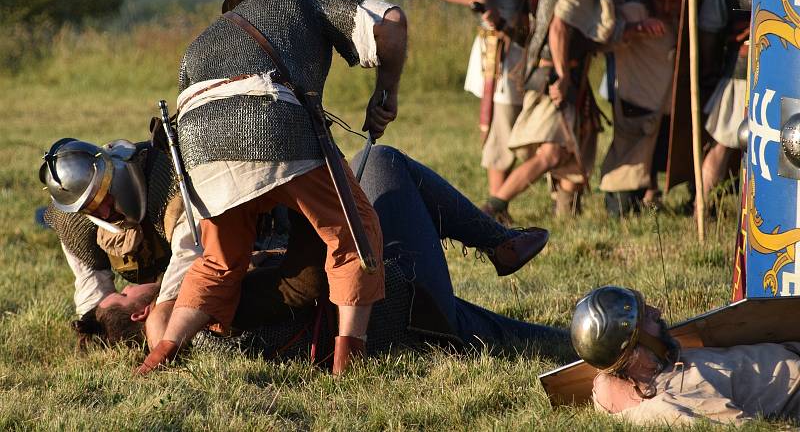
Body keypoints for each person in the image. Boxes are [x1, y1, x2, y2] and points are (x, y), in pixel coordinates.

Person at [132, 0, 409, 375]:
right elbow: (392, 24)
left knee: (217, 259)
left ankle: (162, 352)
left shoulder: (199, 43)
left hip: (200, 148)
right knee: (356, 232)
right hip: (275, 126)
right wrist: (386, 92)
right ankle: (350, 359)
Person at [92, 146, 562, 364]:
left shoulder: (195, 321)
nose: (132, 283)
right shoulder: (179, 315)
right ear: (139, 315)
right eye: (126, 294)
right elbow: (306, 281)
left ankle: (611, 329)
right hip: (400, 300)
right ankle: (496, 241)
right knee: (382, 162)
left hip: (389, 298)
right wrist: (298, 197)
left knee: (530, 339)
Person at [480, 0, 665, 220]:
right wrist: (564, 76)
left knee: (575, 146)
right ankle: (491, 209)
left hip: (567, 72)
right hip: (554, 73)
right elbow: (559, 28)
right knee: (552, 151)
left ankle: (566, 219)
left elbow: (587, 30)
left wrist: (636, 29)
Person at [431, 0, 556, 216]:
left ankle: (522, 199)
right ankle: (496, 205)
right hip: (500, 49)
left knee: (540, 123)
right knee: (502, 128)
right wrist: (481, 3)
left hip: (536, 44)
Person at [38, 136, 203, 345]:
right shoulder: (75, 223)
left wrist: (162, 317)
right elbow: (93, 289)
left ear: (113, 177)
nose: (105, 213)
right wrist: (102, 331)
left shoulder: (169, 182)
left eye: (103, 198)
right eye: (91, 208)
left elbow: (190, 257)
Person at [571, 285, 800, 425]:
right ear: (634, 352)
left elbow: (603, 385)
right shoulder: (670, 404)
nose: (657, 312)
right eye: (646, 317)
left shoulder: (615, 381)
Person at [699, 0, 771, 208]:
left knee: (723, 143)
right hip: (777, 65)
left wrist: (708, 63)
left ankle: (701, 204)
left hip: (741, 66)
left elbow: (711, 24)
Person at [599, 0, 687, 215]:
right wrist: (636, 28)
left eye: (673, 0)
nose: (667, 6)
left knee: (650, 165)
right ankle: (618, 212)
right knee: (627, 165)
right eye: (662, 0)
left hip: (665, 106)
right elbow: (608, 37)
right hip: (636, 101)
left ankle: (643, 205)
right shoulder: (634, 12)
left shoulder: (681, 19)